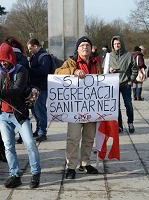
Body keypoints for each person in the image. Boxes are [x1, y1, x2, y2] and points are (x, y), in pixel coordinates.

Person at [0, 43, 41, 188]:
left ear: (11, 58)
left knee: (30, 143)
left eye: (5, 59)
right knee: (8, 147)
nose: (3, 62)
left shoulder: (21, 70)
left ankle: (35, 173)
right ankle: (14, 175)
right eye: (0, 60)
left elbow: (17, 90)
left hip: (19, 114)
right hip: (3, 114)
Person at [55, 36, 102, 179]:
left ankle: (85, 163)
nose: (85, 47)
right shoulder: (70, 62)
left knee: (89, 138)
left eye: (87, 45)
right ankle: (71, 167)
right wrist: (73, 71)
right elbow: (57, 73)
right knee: (73, 138)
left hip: (91, 107)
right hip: (75, 108)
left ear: (91, 48)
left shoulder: (96, 62)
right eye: (82, 45)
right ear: (77, 48)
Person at [109, 36, 138, 133]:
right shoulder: (109, 56)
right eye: (115, 44)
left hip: (126, 84)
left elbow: (135, 68)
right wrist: (109, 70)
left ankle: (130, 122)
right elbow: (104, 68)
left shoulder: (128, 55)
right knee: (116, 106)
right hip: (114, 84)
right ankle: (119, 125)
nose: (117, 45)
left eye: (118, 43)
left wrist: (132, 79)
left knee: (128, 104)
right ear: (112, 45)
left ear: (121, 44)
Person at [5, 36, 30, 144]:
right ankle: (22, 135)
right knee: (23, 115)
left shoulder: (8, 57)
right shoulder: (23, 57)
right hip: (23, 89)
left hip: (11, 89)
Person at [27, 38, 52, 142]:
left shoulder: (44, 56)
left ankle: (42, 132)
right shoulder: (36, 56)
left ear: (35, 46)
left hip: (41, 87)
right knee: (35, 110)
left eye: (30, 48)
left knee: (40, 110)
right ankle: (39, 129)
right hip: (36, 87)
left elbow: (44, 70)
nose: (29, 51)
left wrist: (30, 70)